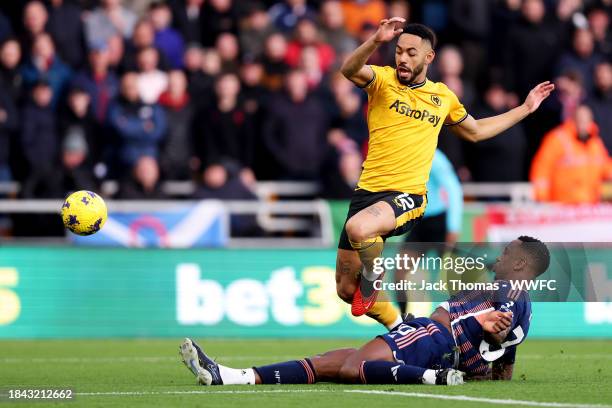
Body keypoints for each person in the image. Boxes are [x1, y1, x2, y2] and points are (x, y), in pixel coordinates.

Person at [335, 19, 554, 330]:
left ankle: (374, 273)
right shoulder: (382, 81)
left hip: (407, 197)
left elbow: (476, 131)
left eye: (411, 52)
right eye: (398, 51)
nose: (402, 58)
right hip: (366, 195)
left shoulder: (442, 97)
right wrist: (375, 41)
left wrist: (525, 108)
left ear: (428, 58)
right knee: (345, 290)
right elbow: (348, 69)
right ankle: (401, 327)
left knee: (359, 230)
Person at [180, 236, 550, 386]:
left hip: (436, 336)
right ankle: (232, 376)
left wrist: (489, 326)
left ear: (520, 265)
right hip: (438, 344)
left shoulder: (505, 288)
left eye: (506, 254)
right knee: (333, 360)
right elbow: (505, 363)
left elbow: (496, 326)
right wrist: (487, 363)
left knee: (352, 367)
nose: (499, 256)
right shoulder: (525, 305)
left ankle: (428, 378)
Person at [396, 149, 462, 315]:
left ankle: (466, 322)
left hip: (439, 224)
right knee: (399, 274)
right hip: (419, 223)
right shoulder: (401, 153)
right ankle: (403, 324)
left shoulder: (434, 156)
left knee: (453, 279)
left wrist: (453, 228)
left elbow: (453, 189)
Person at [530, 104, 612, 204]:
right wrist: (542, 198)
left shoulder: (595, 143)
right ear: (573, 120)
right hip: (562, 205)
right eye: (580, 120)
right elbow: (541, 169)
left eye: (587, 121)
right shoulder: (557, 139)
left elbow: (606, 167)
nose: (584, 125)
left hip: (589, 204)